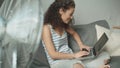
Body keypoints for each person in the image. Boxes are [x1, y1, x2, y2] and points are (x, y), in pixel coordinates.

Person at [42, 0, 110, 68]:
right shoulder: (46, 28)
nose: (71, 17)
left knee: (105, 55)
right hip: (57, 62)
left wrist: (81, 45)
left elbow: (74, 33)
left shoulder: (63, 25)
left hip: (72, 59)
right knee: (78, 66)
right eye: (70, 14)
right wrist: (74, 55)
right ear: (61, 11)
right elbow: (53, 55)